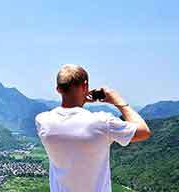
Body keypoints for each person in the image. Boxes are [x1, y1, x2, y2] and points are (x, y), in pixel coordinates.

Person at [35, 64, 151, 192]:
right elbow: (144, 131)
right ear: (85, 86)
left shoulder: (43, 121)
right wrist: (119, 102)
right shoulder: (103, 122)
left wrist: (81, 99)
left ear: (58, 89)